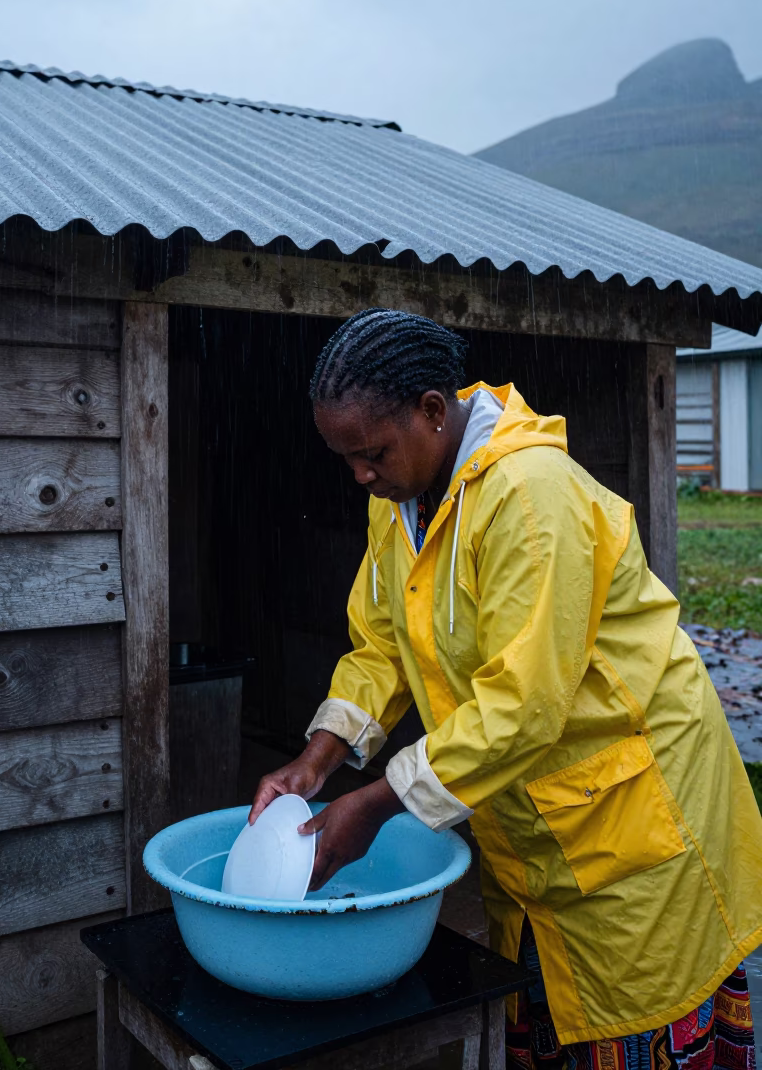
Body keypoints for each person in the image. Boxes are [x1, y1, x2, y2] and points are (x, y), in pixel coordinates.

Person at [251, 308, 762, 1068]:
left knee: (637, 1003)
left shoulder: (530, 497)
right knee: (547, 1000)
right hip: (537, 816)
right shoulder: (399, 504)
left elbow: (526, 705)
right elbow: (382, 642)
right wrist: (318, 760)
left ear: (432, 409)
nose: (361, 475)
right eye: (347, 459)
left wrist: (377, 804)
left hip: (633, 813)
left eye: (373, 453)